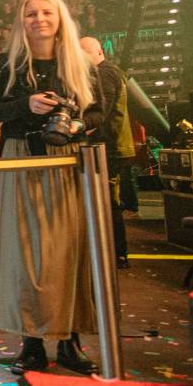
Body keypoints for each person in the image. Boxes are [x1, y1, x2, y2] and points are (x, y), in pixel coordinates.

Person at [0, 0, 101, 375]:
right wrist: (26, 105)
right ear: (21, 20)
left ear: (60, 17)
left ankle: (69, 341)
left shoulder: (79, 62)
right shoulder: (7, 62)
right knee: (26, 253)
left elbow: (98, 113)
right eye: (31, 13)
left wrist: (76, 124)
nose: (39, 19)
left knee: (70, 250)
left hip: (67, 161)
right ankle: (31, 342)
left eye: (47, 12)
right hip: (22, 157)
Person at [80, 37, 133, 268]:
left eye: (83, 52)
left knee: (108, 201)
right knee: (107, 199)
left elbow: (103, 112)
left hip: (108, 147)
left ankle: (116, 253)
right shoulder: (112, 72)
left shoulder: (104, 74)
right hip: (112, 145)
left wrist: (82, 126)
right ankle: (114, 252)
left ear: (98, 52)